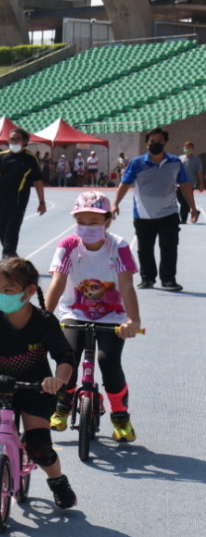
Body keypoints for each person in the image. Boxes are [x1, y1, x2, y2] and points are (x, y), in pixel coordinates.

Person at [0, 257, 77, 509]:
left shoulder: (44, 321)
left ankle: (57, 480)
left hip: (36, 389)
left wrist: (58, 380)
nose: (0, 296)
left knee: (39, 446)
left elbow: (65, 357)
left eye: (8, 291)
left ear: (29, 291)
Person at [43, 191, 142, 442]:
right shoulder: (67, 246)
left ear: (108, 221)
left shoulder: (118, 246)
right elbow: (57, 283)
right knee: (69, 358)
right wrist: (43, 318)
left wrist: (133, 320)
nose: (87, 228)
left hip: (112, 316)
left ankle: (120, 415)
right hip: (74, 313)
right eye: (82, 222)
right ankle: (63, 404)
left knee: (108, 360)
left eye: (95, 222)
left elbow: (127, 285)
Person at [114, 127, 199, 291]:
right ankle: (147, 279)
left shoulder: (175, 162)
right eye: (152, 142)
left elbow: (185, 186)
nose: (156, 144)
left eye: (160, 141)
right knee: (145, 248)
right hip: (143, 214)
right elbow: (124, 184)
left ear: (166, 143)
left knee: (169, 247)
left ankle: (168, 279)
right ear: (146, 144)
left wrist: (193, 208)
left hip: (169, 213)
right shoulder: (137, 163)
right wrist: (115, 203)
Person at [0, 128, 47, 258]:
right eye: (12, 139)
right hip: (0, 199)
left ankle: (8, 255)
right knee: (1, 226)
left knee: (13, 227)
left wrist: (42, 202)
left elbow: (38, 182)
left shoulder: (30, 158)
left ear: (25, 141)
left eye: (17, 139)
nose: (14, 141)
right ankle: (11, 253)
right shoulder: (1, 157)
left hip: (18, 200)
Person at [179, 140, 203, 223]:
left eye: (189, 148)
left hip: (190, 184)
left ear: (193, 149)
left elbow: (199, 173)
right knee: (180, 199)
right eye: (186, 148)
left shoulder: (196, 159)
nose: (187, 149)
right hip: (179, 184)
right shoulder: (181, 158)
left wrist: (201, 184)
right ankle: (194, 211)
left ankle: (183, 218)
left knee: (184, 201)